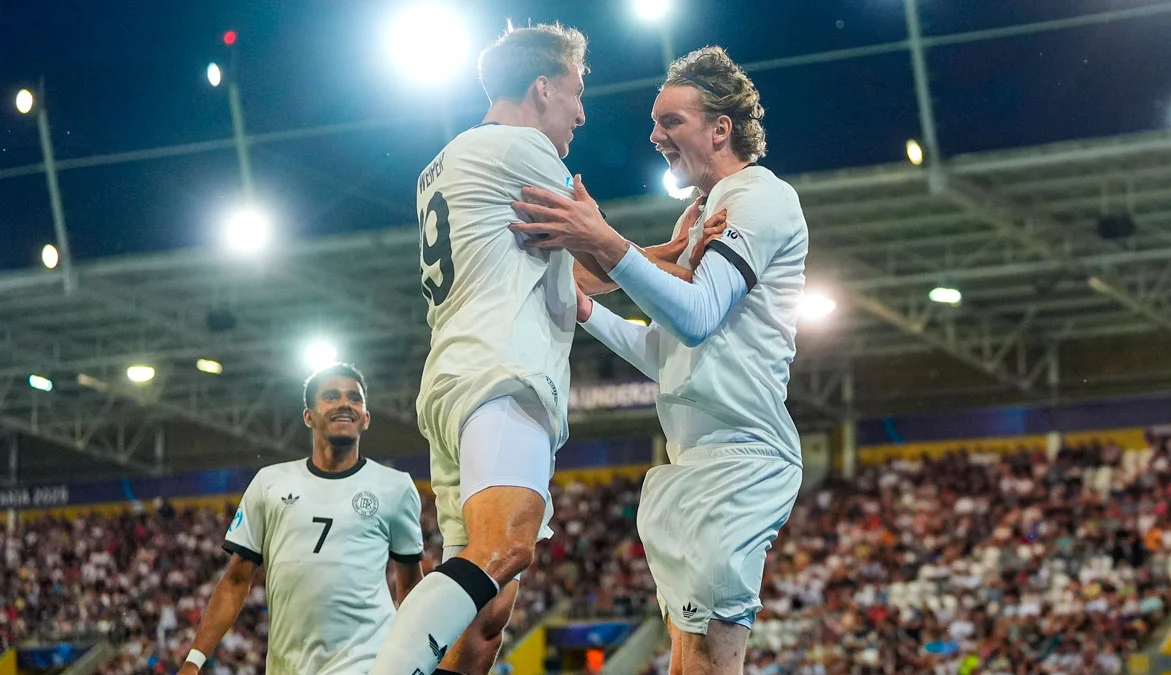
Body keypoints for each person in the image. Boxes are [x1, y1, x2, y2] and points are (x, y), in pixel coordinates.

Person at [371, 22, 717, 675]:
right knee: (506, 547)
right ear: (541, 87)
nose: (581, 111)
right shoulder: (523, 147)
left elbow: (573, 275)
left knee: (486, 609)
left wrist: (662, 253)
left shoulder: (447, 164)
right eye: (577, 92)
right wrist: (692, 262)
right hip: (504, 371)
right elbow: (597, 247)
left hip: (458, 374)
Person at [511, 46, 808, 674]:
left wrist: (605, 240)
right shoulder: (698, 214)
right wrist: (590, 313)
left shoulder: (760, 198)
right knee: (684, 660)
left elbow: (697, 316)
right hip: (688, 461)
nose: (654, 133)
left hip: (741, 457)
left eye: (670, 120)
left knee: (706, 660)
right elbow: (665, 354)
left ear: (720, 128)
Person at [178, 363, 425, 675]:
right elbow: (236, 579)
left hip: (369, 664)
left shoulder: (396, 487)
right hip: (287, 666)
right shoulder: (269, 483)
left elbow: (411, 587)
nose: (345, 404)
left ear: (366, 418)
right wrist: (194, 660)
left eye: (354, 398)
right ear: (308, 416)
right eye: (331, 396)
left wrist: (417, 657)